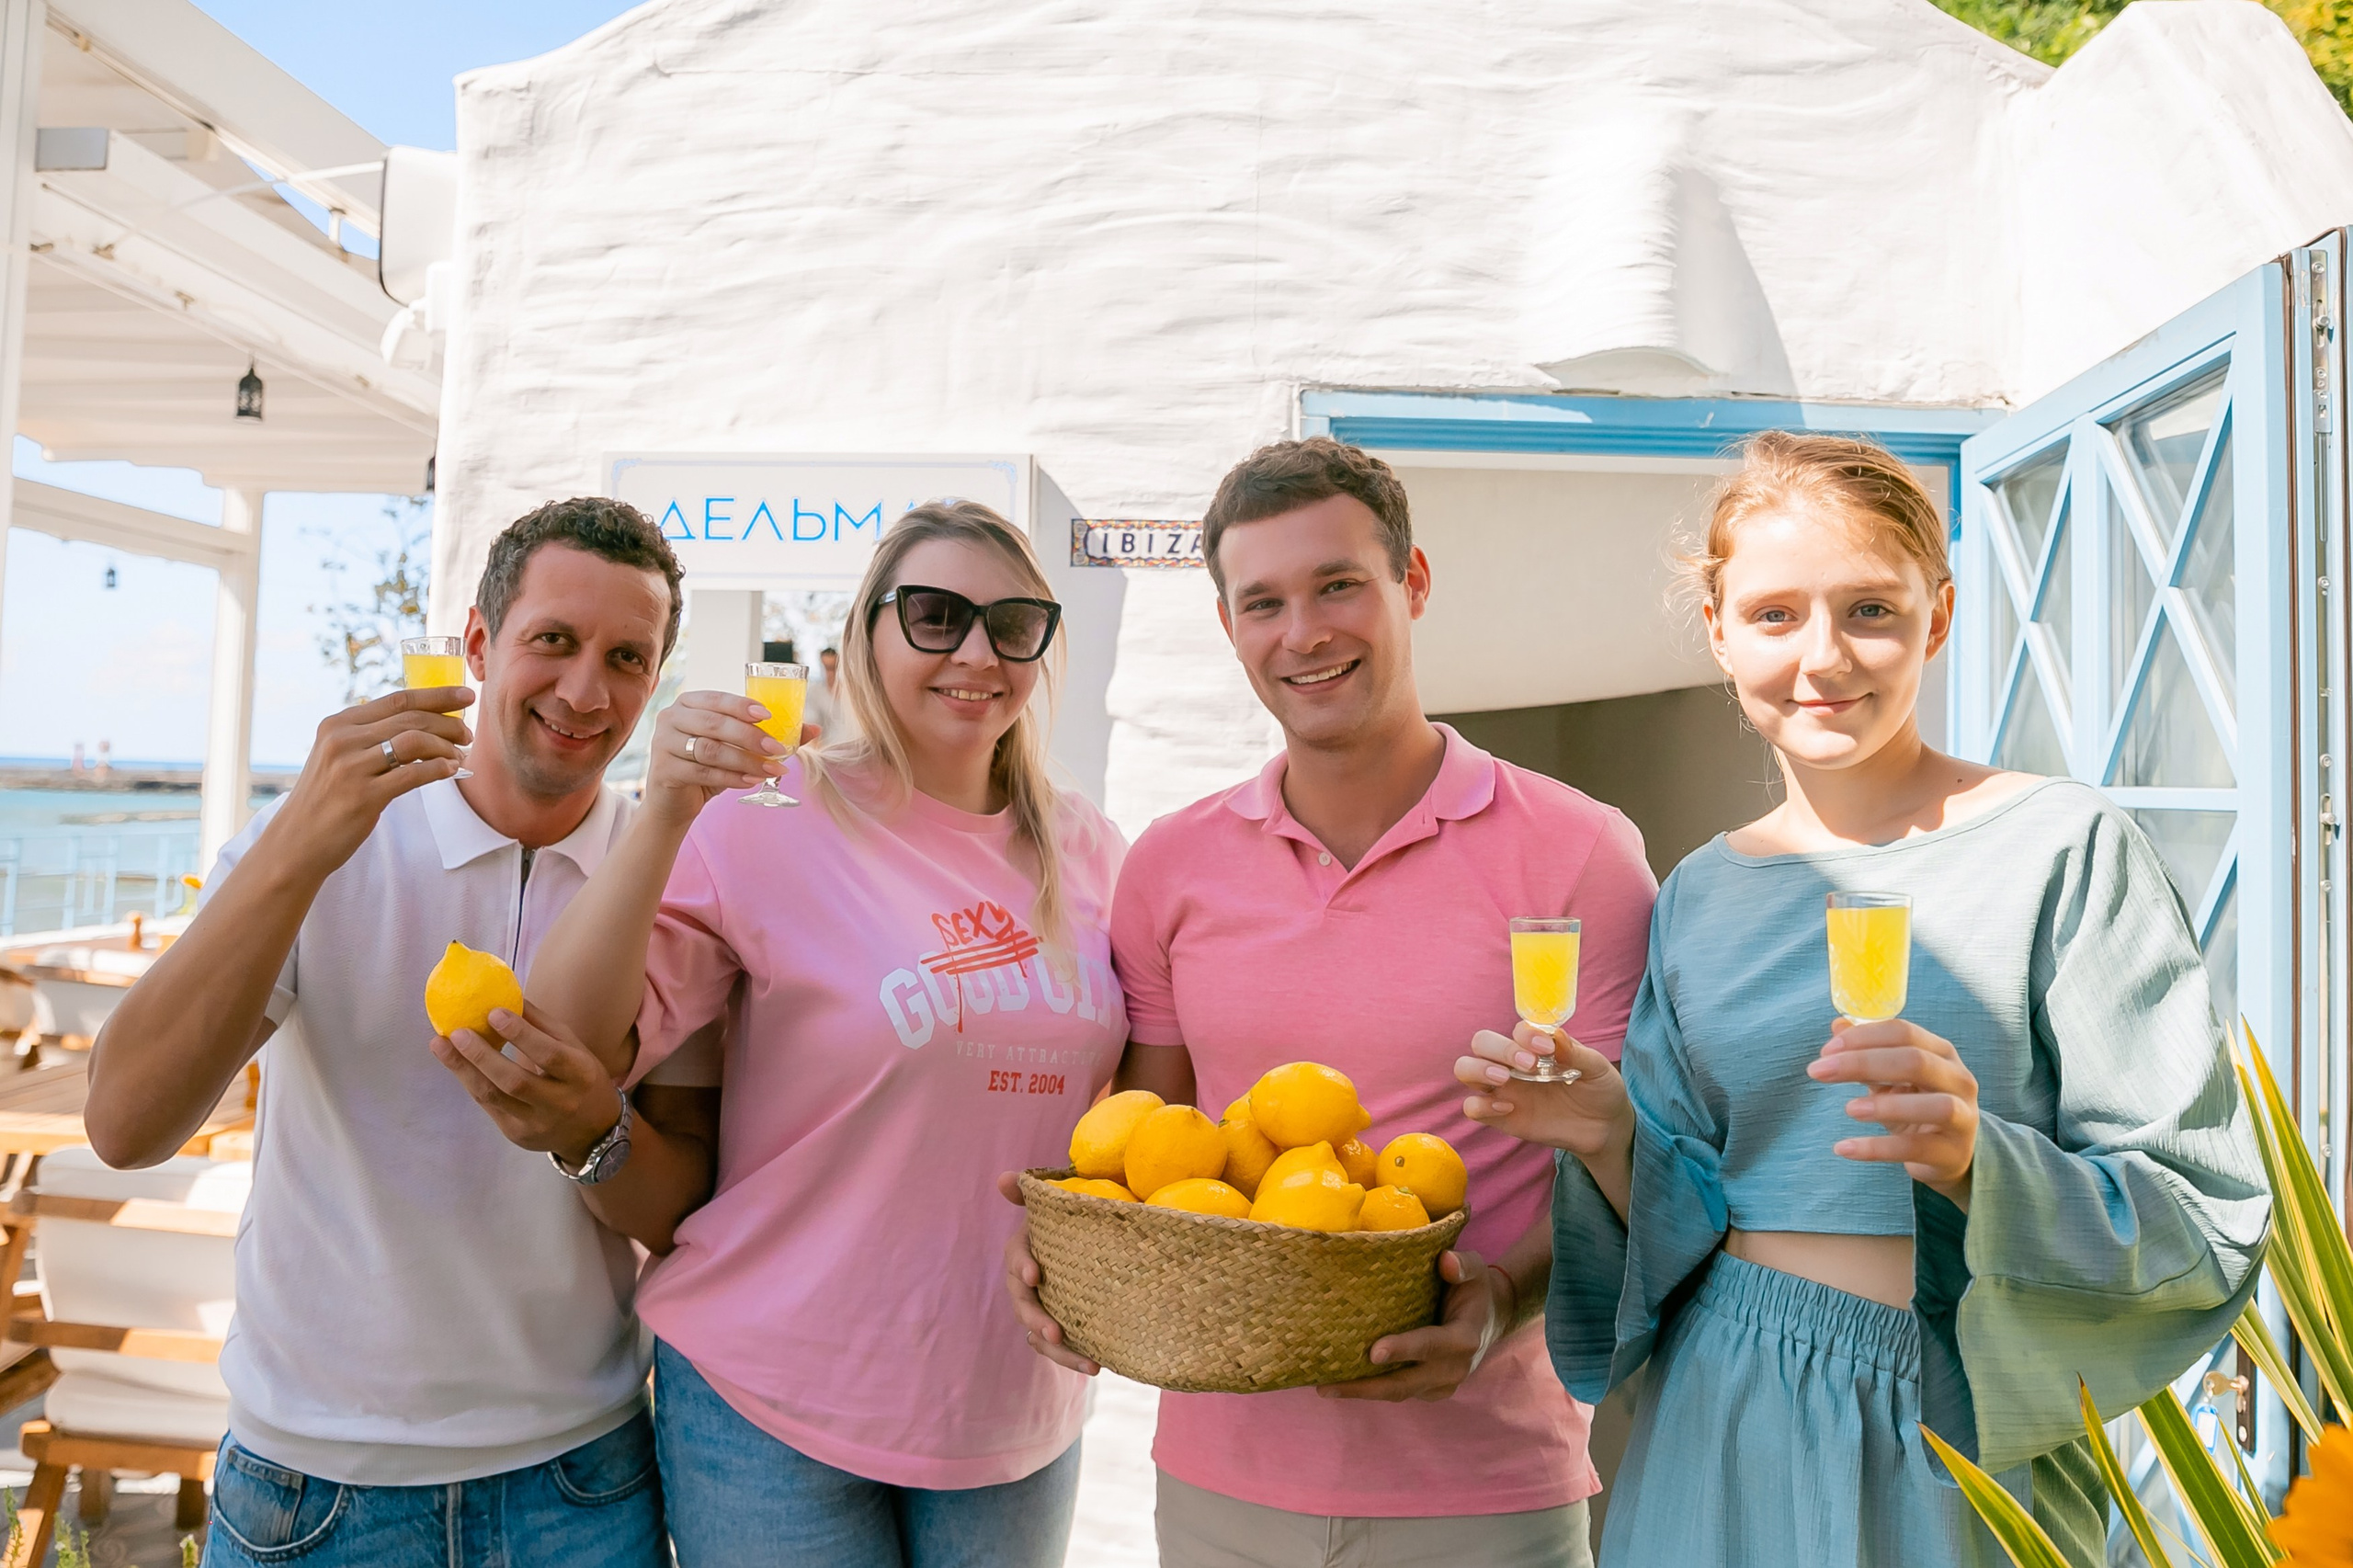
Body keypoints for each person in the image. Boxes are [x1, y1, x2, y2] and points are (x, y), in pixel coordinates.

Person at [1462, 432, 2270, 1566]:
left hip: (1961, 1411)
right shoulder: (1700, 891)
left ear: (1935, 619)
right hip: (1723, 1401)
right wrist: (1604, 1131)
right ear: (1719, 632)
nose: (1822, 656)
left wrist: (1974, 1157)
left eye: (1870, 610)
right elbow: (1680, 1213)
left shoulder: (2066, 849)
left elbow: (2196, 1202)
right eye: (1775, 613)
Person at [1006, 437, 1658, 1568]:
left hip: (1487, 1484)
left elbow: (1620, 1160)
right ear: (1228, 627)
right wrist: (1069, 1252)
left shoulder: (1581, 854)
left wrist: (1500, 1301)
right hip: (1222, 1477)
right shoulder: (1171, 866)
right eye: (1262, 601)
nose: (1302, 632)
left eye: (1338, 584)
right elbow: (1151, 1154)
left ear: (1411, 582)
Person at [502, 501, 1127, 1568]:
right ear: (861, 639)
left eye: (1013, 623)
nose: (976, 650)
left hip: (1012, 1394)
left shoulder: (1093, 848)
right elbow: (559, 1036)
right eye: (935, 614)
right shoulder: (769, 812)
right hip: (772, 1388)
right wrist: (664, 809)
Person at [86, 498, 686, 1567]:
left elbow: (688, 1199)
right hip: (309, 1488)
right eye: (553, 639)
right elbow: (125, 1123)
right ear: (476, 643)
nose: (585, 691)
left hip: (581, 1483)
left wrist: (591, 1127)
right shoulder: (329, 830)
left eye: (627, 656)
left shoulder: (673, 868)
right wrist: (299, 845)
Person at [808, 643, 861, 744]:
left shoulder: (853, 690)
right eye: (826, 668)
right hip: (828, 748)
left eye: (832, 668)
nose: (829, 673)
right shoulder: (815, 692)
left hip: (854, 745)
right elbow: (813, 723)